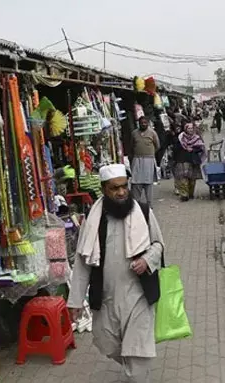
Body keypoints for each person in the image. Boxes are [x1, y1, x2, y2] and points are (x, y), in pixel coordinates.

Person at [68, 164, 165, 383]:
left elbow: (158, 244)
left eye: (124, 187)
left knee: (137, 353)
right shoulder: (94, 221)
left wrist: (146, 260)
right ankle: (134, 367)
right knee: (107, 343)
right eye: (115, 188)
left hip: (138, 296)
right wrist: (74, 301)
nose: (121, 192)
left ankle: (137, 372)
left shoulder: (143, 211)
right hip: (106, 299)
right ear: (104, 189)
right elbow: (83, 263)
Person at [130, 116, 159, 207]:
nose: (143, 124)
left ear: (148, 123)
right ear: (138, 123)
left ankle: (149, 205)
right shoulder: (134, 133)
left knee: (148, 183)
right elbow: (131, 146)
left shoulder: (152, 133)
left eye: (145, 122)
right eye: (141, 122)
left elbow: (157, 146)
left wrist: (150, 153)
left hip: (149, 161)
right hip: (137, 160)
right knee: (136, 182)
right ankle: (136, 205)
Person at [174, 123, 205, 201]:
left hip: (193, 160)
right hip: (182, 159)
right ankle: (184, 195)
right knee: (183, 178)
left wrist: (193, 149)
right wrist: (184, 148)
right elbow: (176, 148)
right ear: (185, 129)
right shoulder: (180, 137)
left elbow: (201, 148)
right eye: (189, 128)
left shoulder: (197, 137)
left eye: (191, 128)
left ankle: (190, 193)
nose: (190, 130)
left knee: (192, 180)